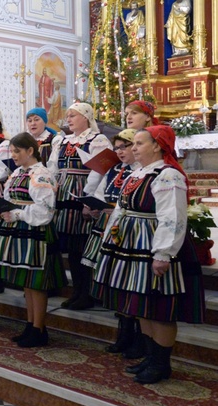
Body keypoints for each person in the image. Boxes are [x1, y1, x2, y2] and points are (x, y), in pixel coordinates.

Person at [93, 126, 204, 384]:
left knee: (159, 307)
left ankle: (161, 363)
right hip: (132, 244)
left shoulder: (167, 176)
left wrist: (163, 254)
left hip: (152, 244)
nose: (133, 148)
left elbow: (173, 217)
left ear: (157, 146)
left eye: (139, 143)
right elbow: (121, 209)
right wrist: (110, 236)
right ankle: (150, 356)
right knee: (141, 304)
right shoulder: (138, 173)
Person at [0, 133, 67, 347]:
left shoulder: (41, 175)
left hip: (35, 232)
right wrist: (1, 211)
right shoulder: (18, 173)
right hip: (19, 230)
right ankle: (31, 325)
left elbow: (45, 211)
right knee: (27, 283)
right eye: (11, 151)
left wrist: (17, 214)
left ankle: (39, 329)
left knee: (36, 283)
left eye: (16, 151)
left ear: (30, 151)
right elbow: (9, 199)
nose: (12, 155)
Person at [47, 103, 110, 310]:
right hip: (65, 193)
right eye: (68, 116)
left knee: (84, 246)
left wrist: (88, 198)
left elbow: (100, 170)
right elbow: (53, 166)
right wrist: (52, 187)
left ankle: (88, 293)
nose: (69, 119)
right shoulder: (62, 140)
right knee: (72, 249)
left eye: (73, 115)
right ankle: (76, 291)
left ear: (86, 117)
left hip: (84, 191)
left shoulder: (97, 139)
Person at [82, 129, 140, 354]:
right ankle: (123, 331)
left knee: (128, 280)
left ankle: (135, 333)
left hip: (126, 230)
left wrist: (110, 209)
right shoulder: (115, 169)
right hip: (106, 226)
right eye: (117, 148)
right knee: (115, 280)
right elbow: (99, 192)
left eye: (124, 146)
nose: (120, 152)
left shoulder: (140, 171)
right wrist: (94, 206)